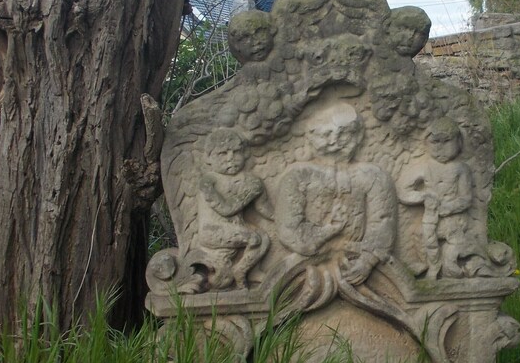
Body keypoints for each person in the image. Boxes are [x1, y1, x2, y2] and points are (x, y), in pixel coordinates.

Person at [277, 103, 395, 285]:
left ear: (358, 136)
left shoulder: (373, 175)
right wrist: (329, 231)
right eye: (326, 134)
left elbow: (382, 223)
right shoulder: (298, 176)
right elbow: (289, 230)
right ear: (311, 137)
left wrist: (368, 261)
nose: (335, 141)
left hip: (360, 264)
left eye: (344, 133)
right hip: (307, 264)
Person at [397, 117, 474, 279]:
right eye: (435, 142)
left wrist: (447, 208)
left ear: (458, 142)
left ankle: (449, 266)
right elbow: (403, 190)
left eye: (447, 141)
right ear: (427, 143)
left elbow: (466, 199)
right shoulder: (424, 167)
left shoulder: (461, 169)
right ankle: (429, 266)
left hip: (454, 219)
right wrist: (423, 196)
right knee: (420, 234)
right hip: (431, 216)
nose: (441, 148)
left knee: (453, 241)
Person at [196, 128, 273, 289]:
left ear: (244, 154)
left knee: (263, 238)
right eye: (223, 154)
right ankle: (240, 273)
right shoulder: (208, 181)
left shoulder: (249, 180)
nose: (230, 158)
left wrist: (281, 219)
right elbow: (225, 209)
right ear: (209, 158)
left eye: (236, 152)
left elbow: (263, 208)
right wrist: (249, 193)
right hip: (212, 231)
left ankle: (244, 269)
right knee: (254, 238)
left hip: (235, 229)